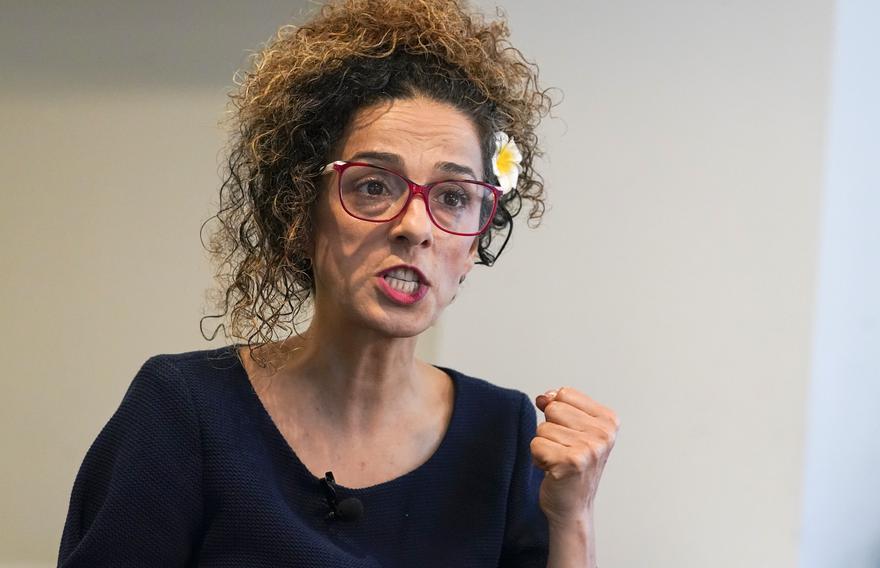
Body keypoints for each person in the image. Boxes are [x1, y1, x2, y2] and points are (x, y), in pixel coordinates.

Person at [58, 1, 620, 566]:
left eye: (453, 198)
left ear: (474, 245)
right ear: (301, 212)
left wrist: (572, 518)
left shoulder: (505, 435)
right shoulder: (184, 411)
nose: (414, 227)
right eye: (374, 186)